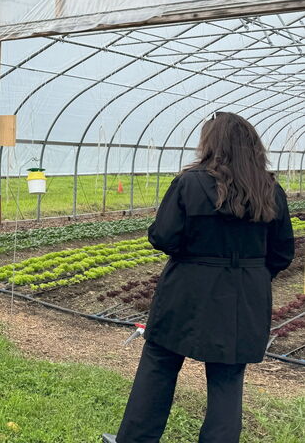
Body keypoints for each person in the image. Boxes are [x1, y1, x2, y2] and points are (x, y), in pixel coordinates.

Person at [103, 112, 295, 443]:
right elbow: (281, 253)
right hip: (244, 297)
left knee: (160, 364)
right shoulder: (270, 189)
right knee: (228, 378)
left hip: (188, 289)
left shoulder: (189, 183)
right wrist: (250, 276)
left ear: (211, 145)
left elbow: (163, 237)